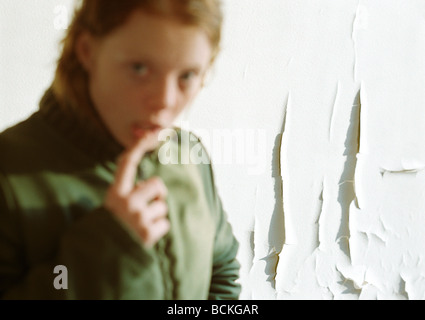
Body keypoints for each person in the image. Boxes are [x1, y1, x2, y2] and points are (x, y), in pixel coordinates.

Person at [0, 0, 241, 299]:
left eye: (187, 76)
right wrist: (107, 251)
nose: (164, 101)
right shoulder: (8, 167)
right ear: (87, 51)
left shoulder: (187, 152)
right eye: (140, 68)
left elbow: (222, 272)